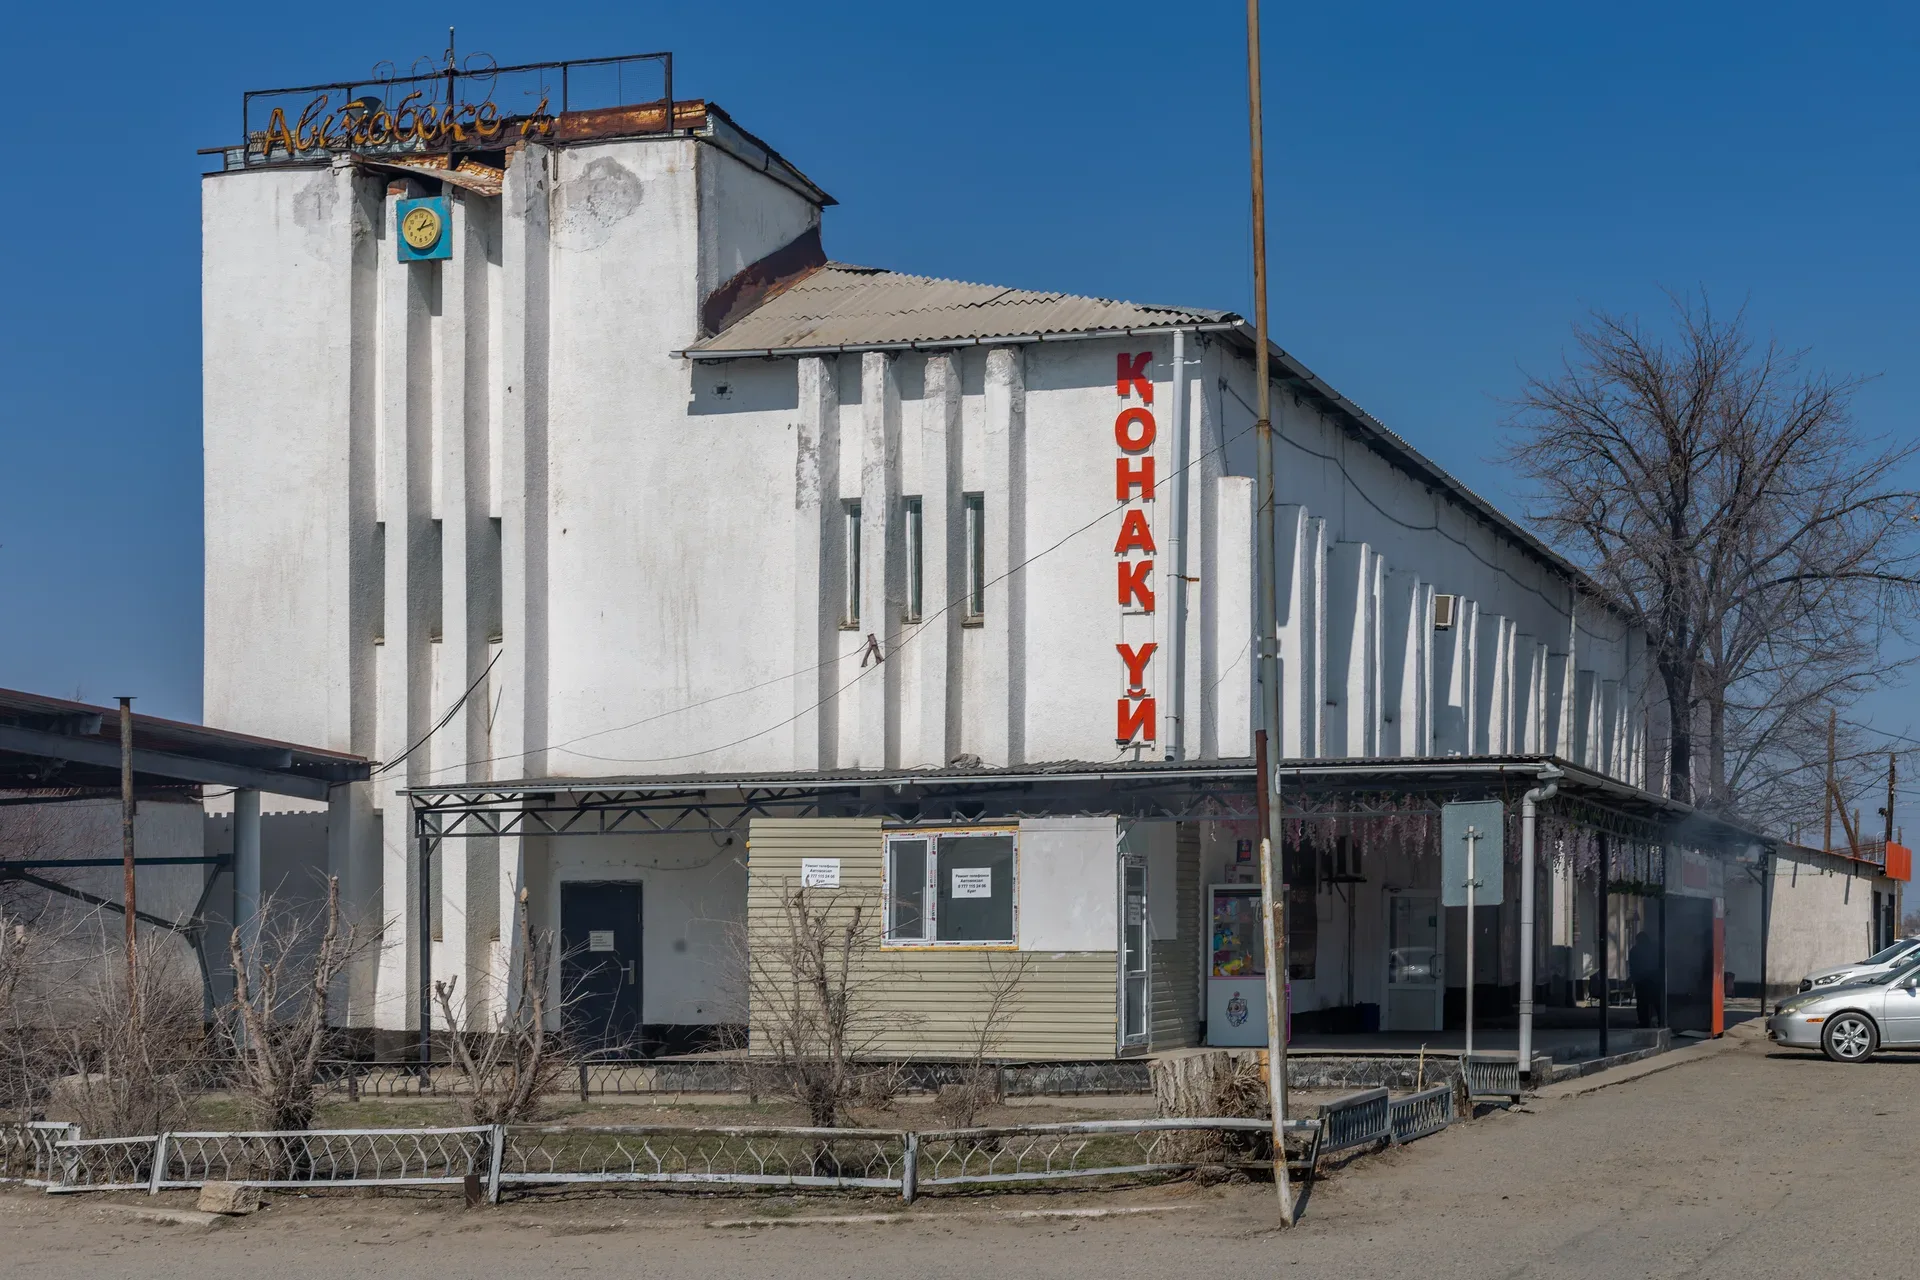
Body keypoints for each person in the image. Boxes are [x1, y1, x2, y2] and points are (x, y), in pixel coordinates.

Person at [1628, 928, 1662, 1028]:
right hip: (1653, 980)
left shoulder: (1634, 950)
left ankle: (1644, 1022)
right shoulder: (1654, 949)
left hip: (1640, 981)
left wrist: (1633, 978)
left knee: (1642, 1004)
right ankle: (1661, 1020)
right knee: (1657, 1002)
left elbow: (1632, 966)